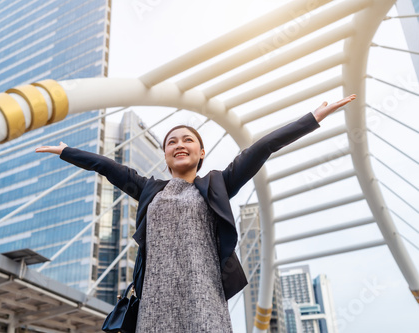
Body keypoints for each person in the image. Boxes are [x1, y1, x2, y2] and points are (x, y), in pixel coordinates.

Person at [35, 95, 356, 332]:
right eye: (171, 141)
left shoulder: (218, 183)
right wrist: (67, 151)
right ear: (165, 154)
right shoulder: (149, 189)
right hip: (155, 305)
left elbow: (261, 148)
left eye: (188, 139)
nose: (179, 144)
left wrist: (312, 118)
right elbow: (108, 167)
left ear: (201, 152)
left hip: (205, 299)